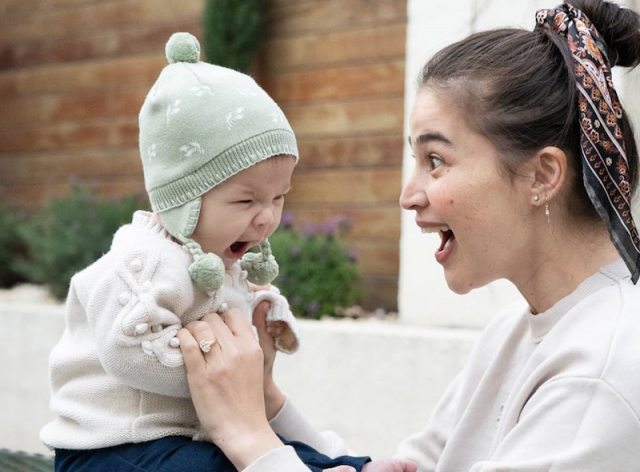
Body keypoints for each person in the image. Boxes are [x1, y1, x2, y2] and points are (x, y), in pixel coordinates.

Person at [175, 1, 640, 471]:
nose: (408, 196)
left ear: (542, 175)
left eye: (435, 160)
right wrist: (267, 402)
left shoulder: (601, 371)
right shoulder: (514, 333)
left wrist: (247, 436)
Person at [40, 32, 373, 472]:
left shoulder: (217, 254)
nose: (267, 217)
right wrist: (222, 370)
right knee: (213, 465)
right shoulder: (142, 263)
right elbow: (129, 349)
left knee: (275, 448)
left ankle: (347, 464)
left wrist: (269, 315)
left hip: (187, 437)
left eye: (279, 197)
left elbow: (240, 304)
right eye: (247, 200)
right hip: (115, 446)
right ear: (184, 198)